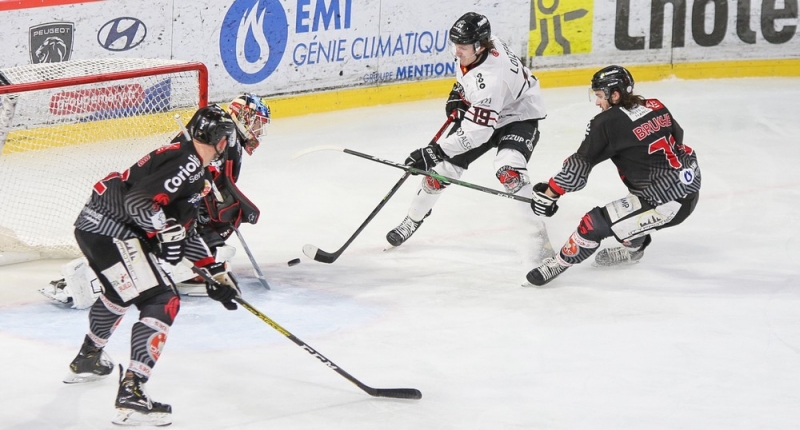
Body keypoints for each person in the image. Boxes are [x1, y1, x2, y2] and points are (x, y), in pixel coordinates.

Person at [62, 103, 256, 426]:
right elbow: (136, 202)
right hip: (111, 230)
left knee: (120, 293)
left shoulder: (192, 168)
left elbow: (188, 230)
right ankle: (132, 392)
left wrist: (215, 271)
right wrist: (165, 231)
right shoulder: (188, 163)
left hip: (94, 226)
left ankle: (87, 358)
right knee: (162, 299)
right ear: (221, 141)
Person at [40, 94, 270, 307]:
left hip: (166, 204)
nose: (258, 130)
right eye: (257, 122)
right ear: (244, 116)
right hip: (148, 205)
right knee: (180, 239)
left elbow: (213, 183)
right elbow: (186, 179)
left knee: (210, 242)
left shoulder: (228, 140)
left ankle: (185, 268)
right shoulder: (218, 138)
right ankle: (84, 281)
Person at [386, 12, 551, 264]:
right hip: (490, 109)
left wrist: (435, 151)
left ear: (479, 45)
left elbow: (478, 133)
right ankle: (413, 219)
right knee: (438, 174)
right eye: (455, 45)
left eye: (462, 47)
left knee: (510, 172)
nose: (456, 52)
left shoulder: (492, 79)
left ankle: (538, 236)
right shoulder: (482, 45)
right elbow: (469, 80)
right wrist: (458, 94)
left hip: (518, 116)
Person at [525, 65, 701, 286]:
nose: (597, 102)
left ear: (615, 94)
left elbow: (579, 168)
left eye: (599, 96)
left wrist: (550, 192)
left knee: (594, 224)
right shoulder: (655, 105)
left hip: (667, 204)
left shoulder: (607, 123)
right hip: (688, 184)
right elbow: (679, 136)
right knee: (628, 214)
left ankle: (559, 263)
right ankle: (635, 245)